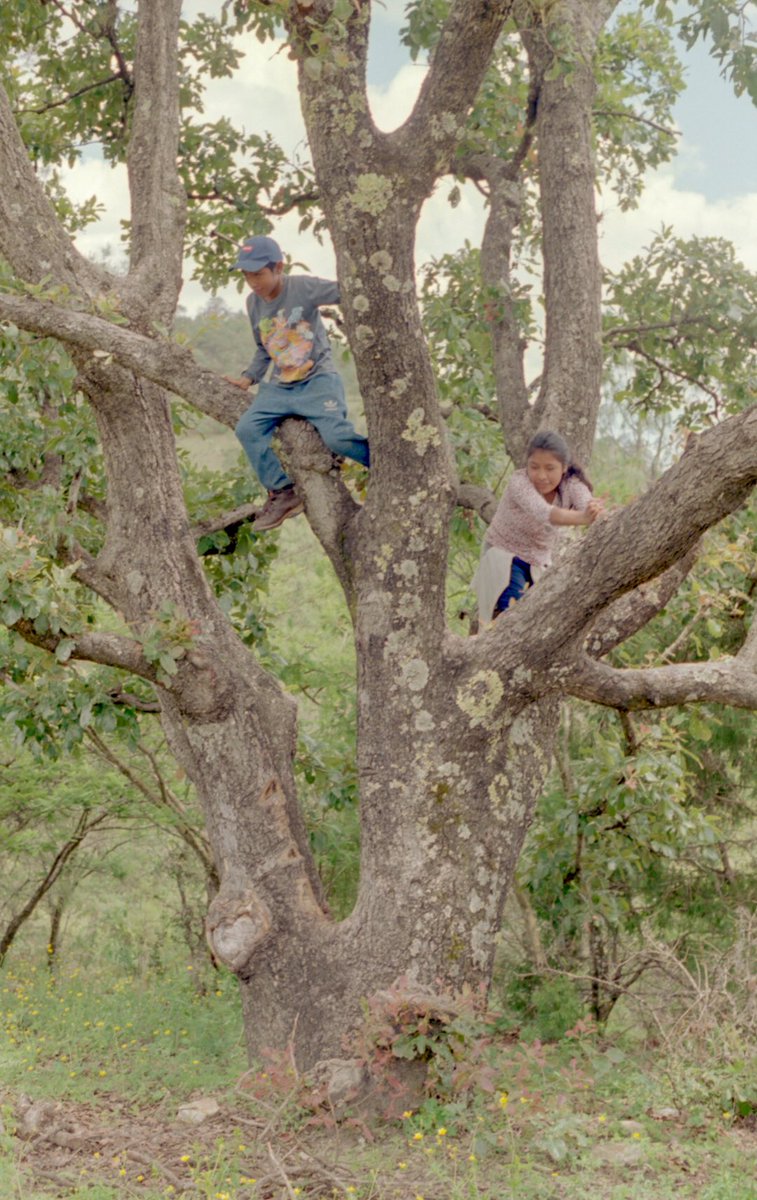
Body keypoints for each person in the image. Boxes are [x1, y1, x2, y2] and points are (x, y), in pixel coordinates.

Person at [225, 234, 370, 531]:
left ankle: (384, 463)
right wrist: (248, 377)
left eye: (258, 274)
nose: (253, 282)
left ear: (278, 267)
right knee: (247, 429)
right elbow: (264, 347)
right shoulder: (253, 302)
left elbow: (348, 291)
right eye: (246, 276)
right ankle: (283, 491)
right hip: (280, 386)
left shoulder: (302, 287)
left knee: (337, 438)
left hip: (317, 380)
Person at [473, 430, 604, 625]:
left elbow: (587, 502)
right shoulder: (519, 482)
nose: (541, 476)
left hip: (538, 561)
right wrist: (584, 518)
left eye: (550, 468)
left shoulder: (571, 484)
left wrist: (594, 510)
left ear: (564, 468)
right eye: (534, 467)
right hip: (503, 553)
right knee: (509, 614)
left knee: (540, 620)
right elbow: (545, 513)